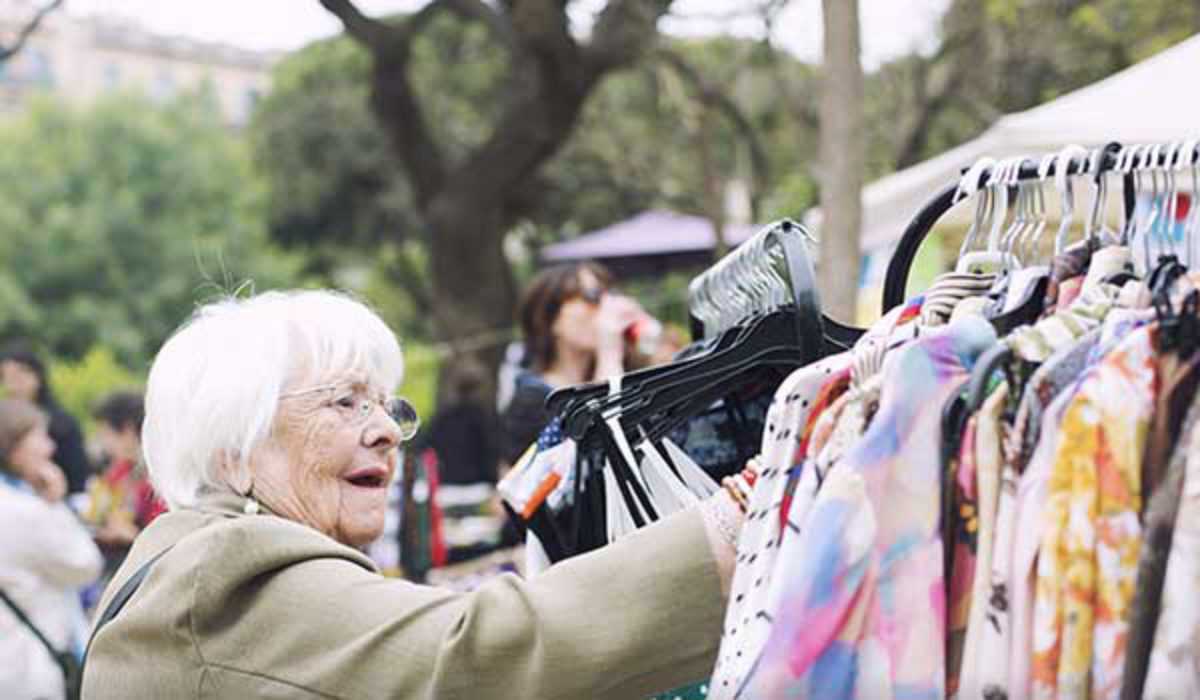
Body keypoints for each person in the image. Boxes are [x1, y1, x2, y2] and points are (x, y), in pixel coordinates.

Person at [82, 289, 747, 699]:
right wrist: (733, 524)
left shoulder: (191, 556)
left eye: (384, 405)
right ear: (235, 453)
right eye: (344, 402)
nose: (384, 432)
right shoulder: (227, 567)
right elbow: (471, 658)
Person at [0, 398, 103, 699]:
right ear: (15, 446)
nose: (50, 449)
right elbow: (85, 564)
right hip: (30, 668)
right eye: (40, 438)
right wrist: (56, 504)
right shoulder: (25, 511)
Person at [501, 262, 651, 465]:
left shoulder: (624, 371)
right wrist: (608, 350)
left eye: (610, 296)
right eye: (593, 296)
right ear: (551, 319)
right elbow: (601, 448)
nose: (605, 309)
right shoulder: (533, 398)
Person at [85, 391, 165, 577]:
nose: (104, 443)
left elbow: (165, 541)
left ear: (128, 431)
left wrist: (132, 537)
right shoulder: (121, 469)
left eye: (106, 434)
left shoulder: (158, 477)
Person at [0, 345, 93, 495]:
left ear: (37, 377)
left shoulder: (62, 422)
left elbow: (78, 476)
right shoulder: (4, 419)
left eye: (19, 376)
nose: (13, 383)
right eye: (6, 377)